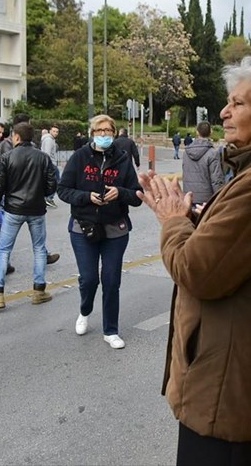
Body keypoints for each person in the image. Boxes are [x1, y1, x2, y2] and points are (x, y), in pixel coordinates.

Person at [136, 57, 251, 464]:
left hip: (229, 394)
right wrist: (201, 220)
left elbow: (196, 271)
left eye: (237, 103)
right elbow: (245, 248)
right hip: (240, 384)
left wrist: (173, 222)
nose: (224, 112)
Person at [58, 114, 142, 350]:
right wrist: (86, 197)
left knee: (111, 280)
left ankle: (111, 330)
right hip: (83, 227)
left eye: (108, 131)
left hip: (115, 228)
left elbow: (137, 195)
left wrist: (120, 192)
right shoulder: (79, 157)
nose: (104, 135)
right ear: (92, 133)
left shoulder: (123, 159)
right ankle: (84, 310)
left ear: (114, 133)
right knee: (89, 279)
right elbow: (63, 190)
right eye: (99, 130)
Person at [0, 122, 56, 310]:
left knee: (4, 250)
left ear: (17, 137)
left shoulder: (7, 157)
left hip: (13, 209)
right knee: (38, 249)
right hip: (37, 210)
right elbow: (52, 185)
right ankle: (39, 290)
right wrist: (39, 193)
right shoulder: (43, 158)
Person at [181, 121, 223, 208]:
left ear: (197, 132)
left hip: (189, 197)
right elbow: (216, 179)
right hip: (207, 199)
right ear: (211, 132)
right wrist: (220, 198)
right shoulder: (213, 153)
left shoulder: (186, 152)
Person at [40, 125, 60, 208]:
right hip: (51, 164)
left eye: (57, 132)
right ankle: (49, 198)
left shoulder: (49, 139)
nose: (55, 133)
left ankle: (46, 198)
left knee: (49, 181)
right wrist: (49, 165)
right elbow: (47, 153)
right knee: (56, 181)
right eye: (54, 131)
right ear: (50, 131)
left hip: (49, 163)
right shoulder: (49, 140)